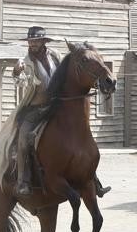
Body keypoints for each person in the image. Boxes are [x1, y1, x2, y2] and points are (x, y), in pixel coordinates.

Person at [10, 26, 109, 198]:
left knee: (82, 136)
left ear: (43, 42)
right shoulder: (24, 62)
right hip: (36, 107)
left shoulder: (55, 55)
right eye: (30, 41)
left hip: (59, 103)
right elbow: (21, 83)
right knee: (24, 137)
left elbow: (67, 71)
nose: (32, 44)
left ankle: (93, 179)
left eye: (36, 41)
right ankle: (23, 181)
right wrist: (16, 72)